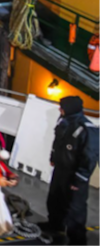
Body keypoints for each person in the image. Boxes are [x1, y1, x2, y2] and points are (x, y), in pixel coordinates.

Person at [46, 96, 92, 246]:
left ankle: (77, 242)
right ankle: (55, 226)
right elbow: (58, 142)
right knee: (55, 199)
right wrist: (53, 157)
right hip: (60, 169)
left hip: (74, 175)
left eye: (62, 107)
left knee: (75, 211)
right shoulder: (63, 122)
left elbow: (89, 157)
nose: (60, 109)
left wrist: (79, 179)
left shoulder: (86, 128)